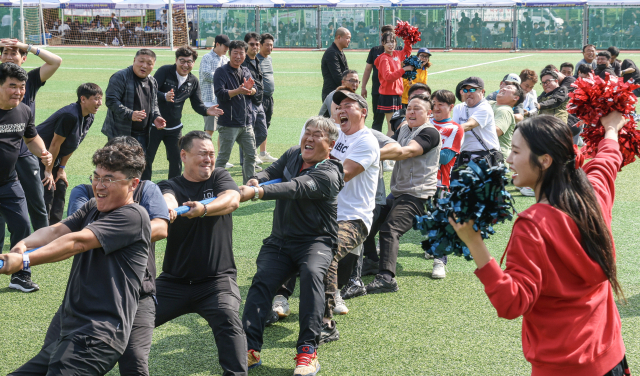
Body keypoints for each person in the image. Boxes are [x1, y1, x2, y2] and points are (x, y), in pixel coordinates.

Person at [449, 112, 630, 376]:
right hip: (611, 357)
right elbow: (607, 161)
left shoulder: (532, 225)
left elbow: (512, 303)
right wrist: (611, 129)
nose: (509, 159)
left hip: (562, 369)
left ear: (545, 160)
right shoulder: (592, 195)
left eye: (515, 151)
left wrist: (474, 243)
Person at [3, 142, 151, 375]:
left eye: (109, 179)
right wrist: (22, 245)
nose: (99, 186)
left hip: (98, 335)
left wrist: (24, 261)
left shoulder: (133, 216)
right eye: (96, 176)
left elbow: (76, 242)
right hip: (71, 328)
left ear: (133, 184)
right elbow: (56, 231)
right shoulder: (93, 207)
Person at [240, 116, 343, 376]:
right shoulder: (293, 154)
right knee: (263, 280)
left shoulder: (330, 172)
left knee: (310, 276)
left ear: (330, 144)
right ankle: (249, 349)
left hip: (316, 241)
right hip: (281, 241)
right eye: (307, 132)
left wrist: (256, 193)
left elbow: (294, 187)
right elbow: (272, 173)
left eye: (316, 135)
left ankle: (308, 353)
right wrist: (257, 179)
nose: (308, 138)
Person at [156, 130, 247, 375]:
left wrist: (203, 209)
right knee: (135, 319)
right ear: (184, 156)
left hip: (216, 281)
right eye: (202, 154)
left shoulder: (219, 177)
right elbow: (167, 198)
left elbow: (231, 200)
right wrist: (170, 208)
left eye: (211, 154)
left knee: (228, 318)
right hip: (173, 282)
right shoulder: (169, 184)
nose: (208, 159)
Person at [365, 94, 441, 294]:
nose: (412, 112)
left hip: (418, 194)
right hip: (398, 193)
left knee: (390, 229)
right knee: (369, 221)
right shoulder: (404, 128)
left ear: (429, 113)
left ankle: (387, 278)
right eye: (409, 109)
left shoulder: (430, 133)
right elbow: (390, 145)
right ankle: (372, 261)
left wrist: (366, 155)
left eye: (417, 109)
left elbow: (406, 152)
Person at [0, 39, 62, 278]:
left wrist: (44, 153)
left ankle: (20, 275)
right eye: (13, 86)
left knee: (23, 226)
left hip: (8, 181)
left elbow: (31, 137)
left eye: (21, 88)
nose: (18, 92)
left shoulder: (24, 109)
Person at [144, 46, 223, 180]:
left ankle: (173, 189)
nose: (185, 65)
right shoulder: (165, 71)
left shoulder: (193, 81)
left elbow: (197, 104)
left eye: (189, 61)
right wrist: (164, 96)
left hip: (174, 128)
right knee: (147, 159)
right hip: (154, 124)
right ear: (176, 60)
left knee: (176, 161)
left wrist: (206, 111)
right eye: (182, 61)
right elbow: (150, 91)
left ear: (193, 63)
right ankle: (145, 188)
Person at [35, 83, 102, 226]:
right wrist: (48, 171)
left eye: (101, 99)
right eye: (96, 99)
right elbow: (55, 144)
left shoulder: (89, 117)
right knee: (48, 188)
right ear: (83, 99)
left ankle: (55, 228)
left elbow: (73, 144)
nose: (100, 103)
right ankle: (43, 232)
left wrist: (61, 169)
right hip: (36, 155)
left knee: (60, 185)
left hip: (53, 157)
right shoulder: (70, 115)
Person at [101, 49, 166, 150]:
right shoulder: (120, 77)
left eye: (149, 63)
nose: (144, 65)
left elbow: (154, 103)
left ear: (153, 66)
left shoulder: (152, 81)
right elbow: (111, 100)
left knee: (138, 164)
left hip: (143, 134)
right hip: (120, 133)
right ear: (134, 60)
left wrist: (156, 116)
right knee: (118, 164)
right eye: (141, 61)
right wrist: (130, 114)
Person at [213, 40, 257, 184]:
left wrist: (250, 90)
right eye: (235, 53)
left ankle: (249, 186)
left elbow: (254, 90)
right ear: (229, 53)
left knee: (251, 156)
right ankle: (214, 185)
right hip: (229, 123)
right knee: (223, 158)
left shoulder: (245, 70)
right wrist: (239, 90)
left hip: (246, 123)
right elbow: (220, 94)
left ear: (245, 54)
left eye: (241, 53)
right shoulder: (221, 71)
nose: (238, 56)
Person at [452, 76, 502, 170]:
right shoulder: (458, 108)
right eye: (465, 90)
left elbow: (469, 125)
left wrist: (443, 130)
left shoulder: (485, 108)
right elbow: (454, 130)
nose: (468, 93)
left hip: (486, 156)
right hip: (465, 156)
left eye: (472, 90)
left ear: (482, 92)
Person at [374, 30, 415, 138]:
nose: (391, 44)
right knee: (391, 127)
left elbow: (407, 51)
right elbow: (388, 77)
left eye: (393, 41)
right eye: (387, 42)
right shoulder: (383, 58)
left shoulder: (397, 54)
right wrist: (404, 69)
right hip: (388, 96)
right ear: (383, 43)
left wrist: (408, 37)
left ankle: (393, 148)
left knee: (397, 125)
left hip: (397, 94)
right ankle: (388, 150)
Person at [361, 24, 399, 132]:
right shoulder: (375, 50)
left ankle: (393, 145)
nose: (390, 42)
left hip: (394, 92)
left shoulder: (399, 50)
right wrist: (363, 87)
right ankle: (375, 143)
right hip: (378, 90)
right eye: (387, 37)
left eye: (393, 37)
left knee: (395, 121)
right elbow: (368, 69)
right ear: (382, 37)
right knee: (377, 120)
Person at [199, 34, 230, 164]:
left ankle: (219, 158)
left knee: (223, 130)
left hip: (222, 100)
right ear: (217, 44)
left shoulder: (225, 59)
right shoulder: (207, 57)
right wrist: (223, 77)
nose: (227, 49)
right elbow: (206, 74)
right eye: (225, 46)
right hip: (209, 100)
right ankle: (205, 156)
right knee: (210, 130)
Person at [240, 32, 268, 170]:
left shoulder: (256, 60)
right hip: (248, 101)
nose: (255, 47)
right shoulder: (242, 61)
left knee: (262, 133)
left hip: (258, 101)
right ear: (246, 45)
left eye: (257, 44)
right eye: (252, 44)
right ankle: (247, 160)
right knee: (247, 134)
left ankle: (250, 154)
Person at [256, 33, 278, 163]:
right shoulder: (256, 59)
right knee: (258, 126)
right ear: (260, 45)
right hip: (260, 99)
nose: (270, 47)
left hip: (269, 98)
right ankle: (252, 153)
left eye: (271, 45)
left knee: (266, 125)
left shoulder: (269, 59)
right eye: (267, 45)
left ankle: (263, 153)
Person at [489, 83, 524, 158]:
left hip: (496, 158)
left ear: (515, 98)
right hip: (489, 155)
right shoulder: (490, 104)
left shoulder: (505, 110)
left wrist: (473, 124)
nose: (503, 88)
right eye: (505, 87)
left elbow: (496, 131)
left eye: (509, 88)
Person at [321, 27, 350, 101]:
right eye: (347, 38)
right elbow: (338, 76)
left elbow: (346, 72)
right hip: (332, 94)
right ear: (339, 37)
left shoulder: (339, 52)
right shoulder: (332, 53)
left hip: (339, 92)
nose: (349, 41)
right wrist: (349, 86)